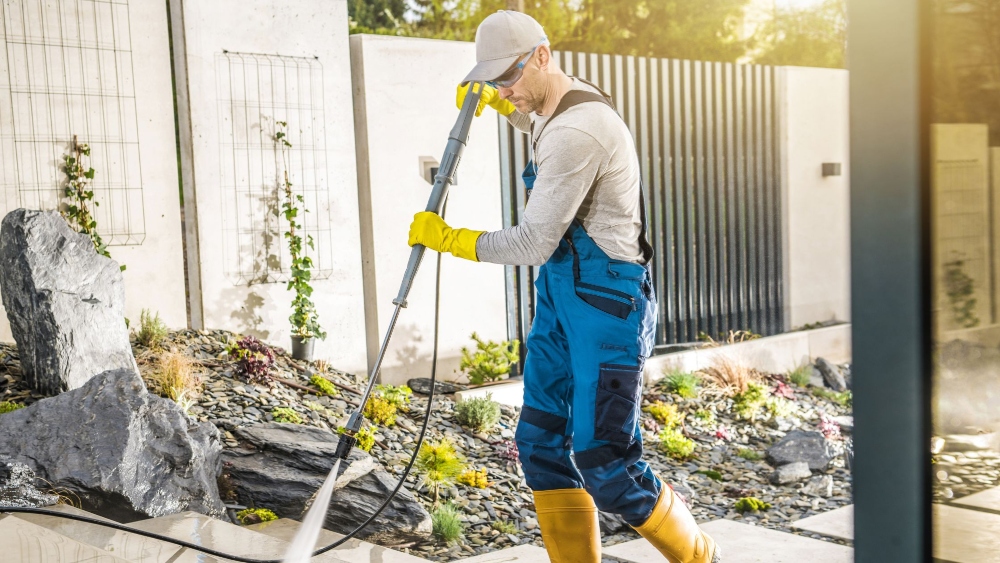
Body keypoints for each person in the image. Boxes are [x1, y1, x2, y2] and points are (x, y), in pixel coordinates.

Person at [407, 10, 720, 563]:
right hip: (561, 302)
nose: (507, 89)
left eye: (511, 78)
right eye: (496, 80)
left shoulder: (578, 130)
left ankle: (702, 558)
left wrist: (450, 239)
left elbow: (532, 245)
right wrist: (510, 109)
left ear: (543, 56)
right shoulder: (558, 104)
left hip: (606, 305)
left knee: (605, 460)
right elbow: (539, 121)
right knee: (541, 443)